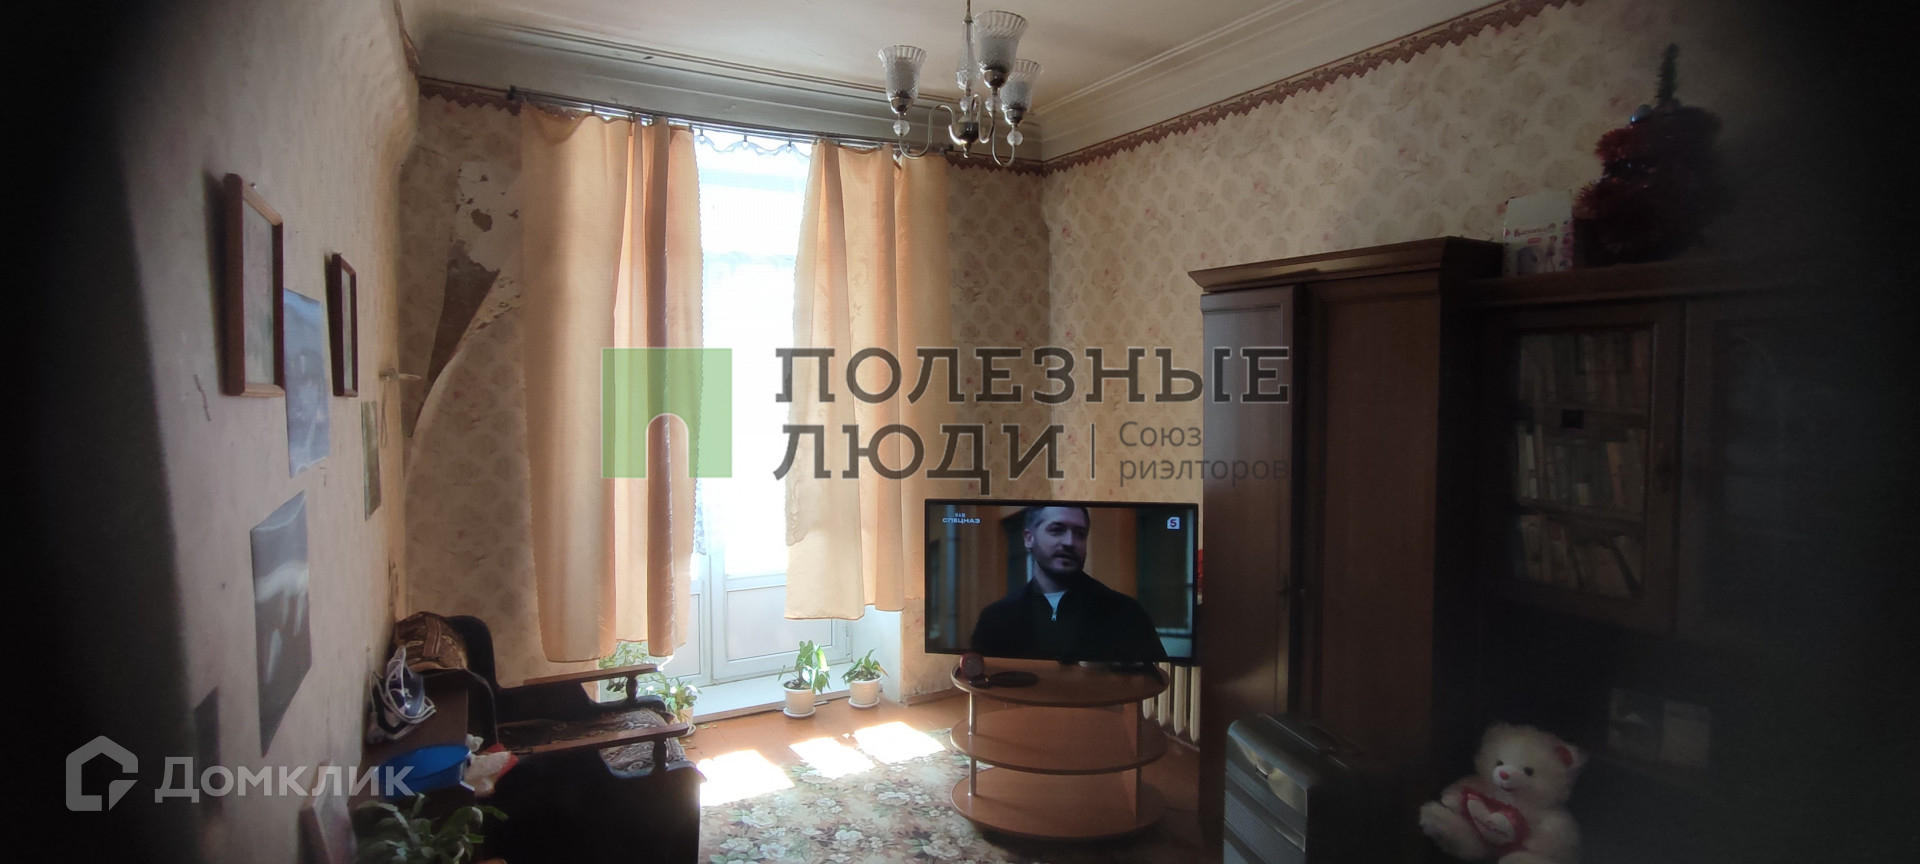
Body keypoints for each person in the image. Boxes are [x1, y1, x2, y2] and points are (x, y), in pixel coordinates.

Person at [969, 505, 1168, 663]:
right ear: (1029, 538)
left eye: (1080, 534)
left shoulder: (1126, 613)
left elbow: (1151, 680)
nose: (1070, 542)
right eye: (1057, 530)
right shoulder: (996, 618)